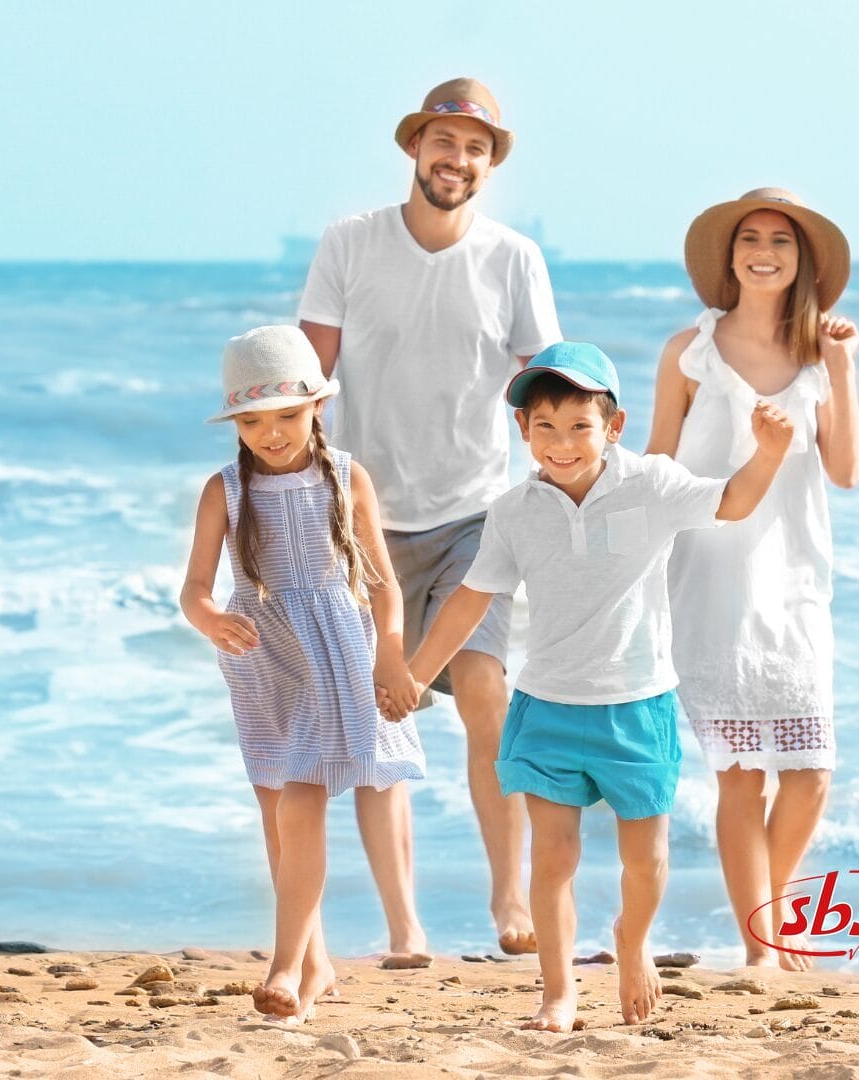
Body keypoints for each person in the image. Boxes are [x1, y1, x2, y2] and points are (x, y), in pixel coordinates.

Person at [388, 341, 795, 1031]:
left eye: (579, 426)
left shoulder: (652, 484)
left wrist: (769, 451)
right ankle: (558, 991)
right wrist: (416, 673)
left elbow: (733, 501)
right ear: (522, 432)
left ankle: (631, 941)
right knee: (554, 857)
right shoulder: (514, 511)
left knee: (648, 859)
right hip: (547, 707)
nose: (562, 443)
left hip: (638, 706)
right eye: (544, 427)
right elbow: (470, 598)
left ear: (614, 425)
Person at [297, 77, 561, 959]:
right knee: (383, 717)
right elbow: (310, 378)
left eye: (477, 148)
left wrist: (567, 492)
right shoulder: (350, 243)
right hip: (364, 521)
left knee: (485, 694)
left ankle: (509, 900)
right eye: (445, 143)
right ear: (416, 147)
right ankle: (406, 930)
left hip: (473, 518)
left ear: (490, 163)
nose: (458, 160)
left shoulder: (514, 259)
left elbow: (542, 387)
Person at [646, 188, 859, 969]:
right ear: (729, 254)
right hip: (709, 580)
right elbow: (657, 468)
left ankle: (776, 915)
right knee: (740, 778)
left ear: (802, 259)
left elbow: (845, 471)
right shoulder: (688, 353)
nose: (764, 249)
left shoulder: (819, 357)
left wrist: (842, 369)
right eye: (750, 237)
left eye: (781, 239)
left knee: (810, 772)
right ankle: (762, 947)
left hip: (796, 580)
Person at [180, 325, 425, 1024]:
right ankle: (315, 962)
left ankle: (284, 967)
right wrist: (209, 620)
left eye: (287, 415)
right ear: (236, 424)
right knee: (278, 813)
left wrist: (390, 651)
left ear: (317, 407)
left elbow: (382, 585)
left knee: (304, 795)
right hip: (262, 660)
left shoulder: (346, 478)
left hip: (334, 655)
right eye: (253, 421)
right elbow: (195, 588)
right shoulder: (224, 490)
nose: (272, 434)